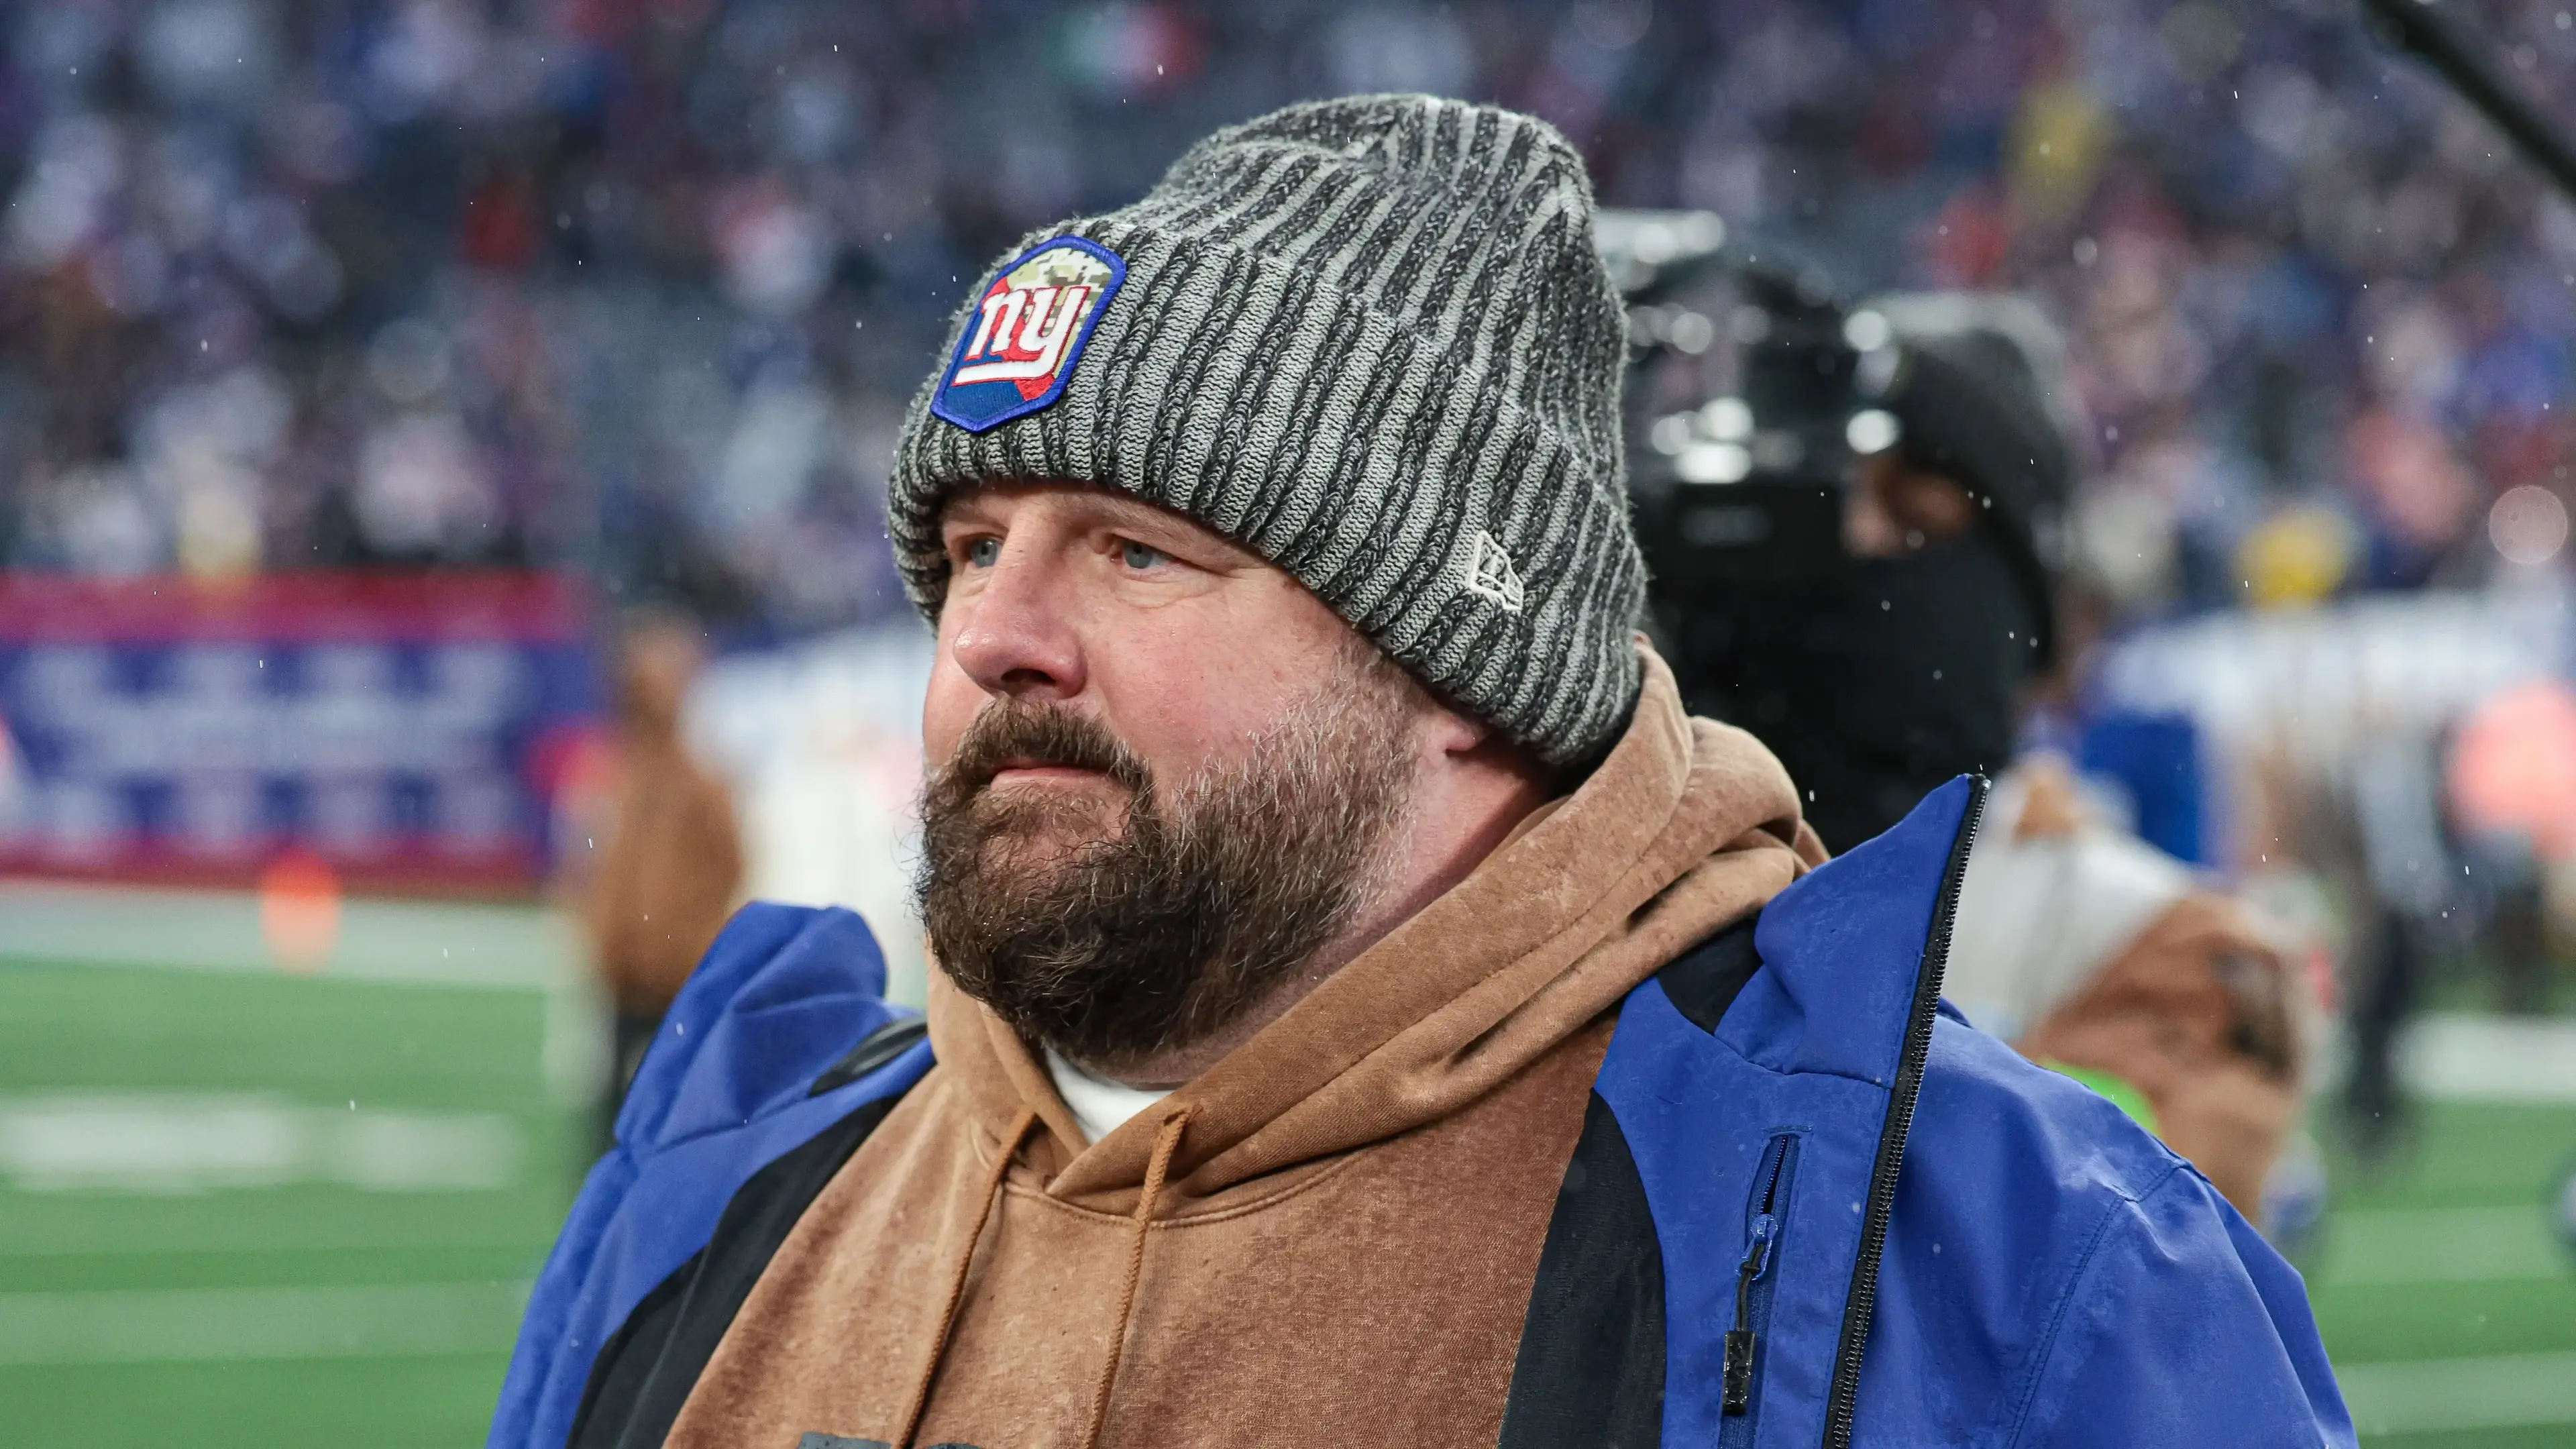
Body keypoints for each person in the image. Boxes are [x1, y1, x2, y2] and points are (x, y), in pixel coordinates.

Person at [492, 96, 2350, 1449]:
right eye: (972, 550)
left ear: (1461, 661)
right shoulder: (717, 1201)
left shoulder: (2016, 1272)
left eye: (1138, 549)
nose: (994, 636)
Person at [561, 615, 745, 1147]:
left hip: (679, 969)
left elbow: (731, 867)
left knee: (676, 1109)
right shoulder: (614, 776)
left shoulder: (701, 783)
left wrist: (690, 935)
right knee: (612, 1113)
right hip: (624, 969)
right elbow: (591, 873)